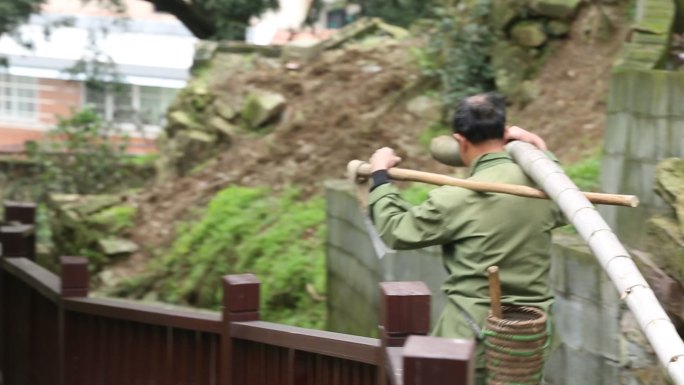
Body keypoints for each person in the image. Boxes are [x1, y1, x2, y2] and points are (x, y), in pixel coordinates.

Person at [367, 92, 565, 383]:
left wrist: (380, 177)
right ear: (505, 131)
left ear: (460, 141)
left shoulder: (456, 197)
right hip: (529, 339)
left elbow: (396, 229)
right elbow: (566, 198)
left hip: (471, 337)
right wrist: (538, 148)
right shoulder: (545, 186)